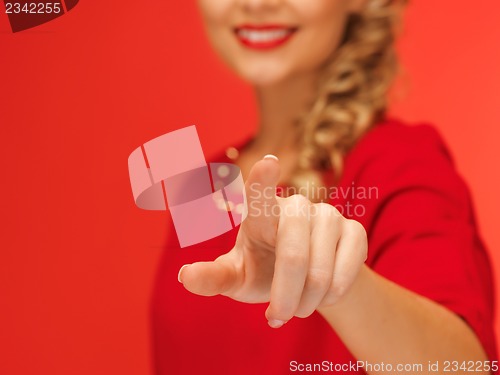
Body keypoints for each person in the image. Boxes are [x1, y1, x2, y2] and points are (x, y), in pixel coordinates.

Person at [152, 1, 497, 374]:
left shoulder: (400, 164)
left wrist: (339, 284)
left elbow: (464, 367)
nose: (255, 3)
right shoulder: (204, 184)